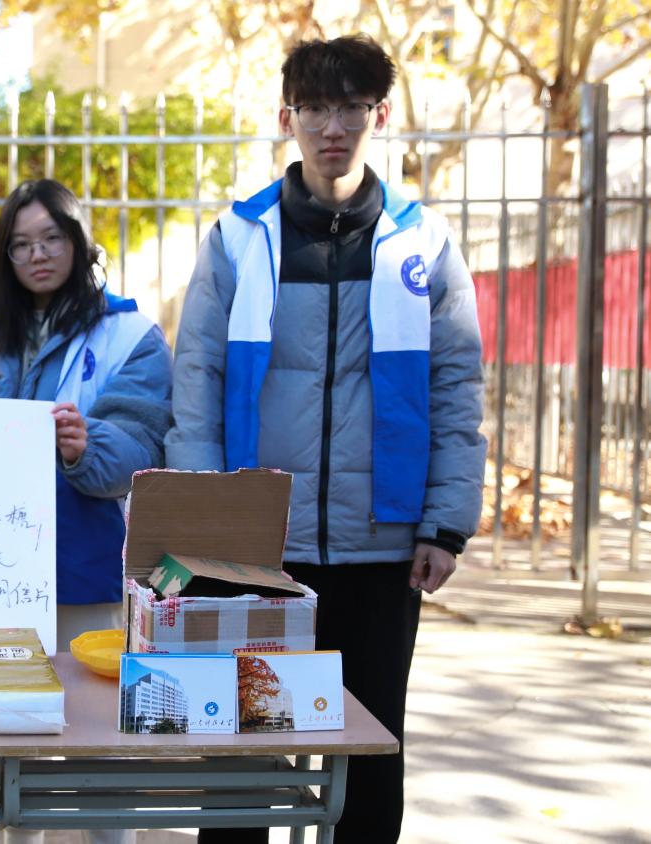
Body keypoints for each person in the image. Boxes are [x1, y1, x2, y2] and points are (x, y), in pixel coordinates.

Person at [165, 35, 485, 843]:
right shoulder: (240, 238)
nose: (332, 127)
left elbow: (456, 389)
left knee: (371, 757)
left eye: (350, 108)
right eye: (314, 108)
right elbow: (197, 381)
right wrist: (206, 522)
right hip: (260, 548)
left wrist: (444, 525)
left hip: (382, 547)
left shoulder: (423, 242)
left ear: (381, 115)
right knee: (245, 753)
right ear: (288, 117)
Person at [0, 179, 172, 844]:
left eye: (51, 238)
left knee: (100, 744)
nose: (37, 255)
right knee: (11, 742)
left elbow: (142, 446)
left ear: (78, 242)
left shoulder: (130, 336)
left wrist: (85, 446)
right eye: (20, 245)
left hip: (87, 571)